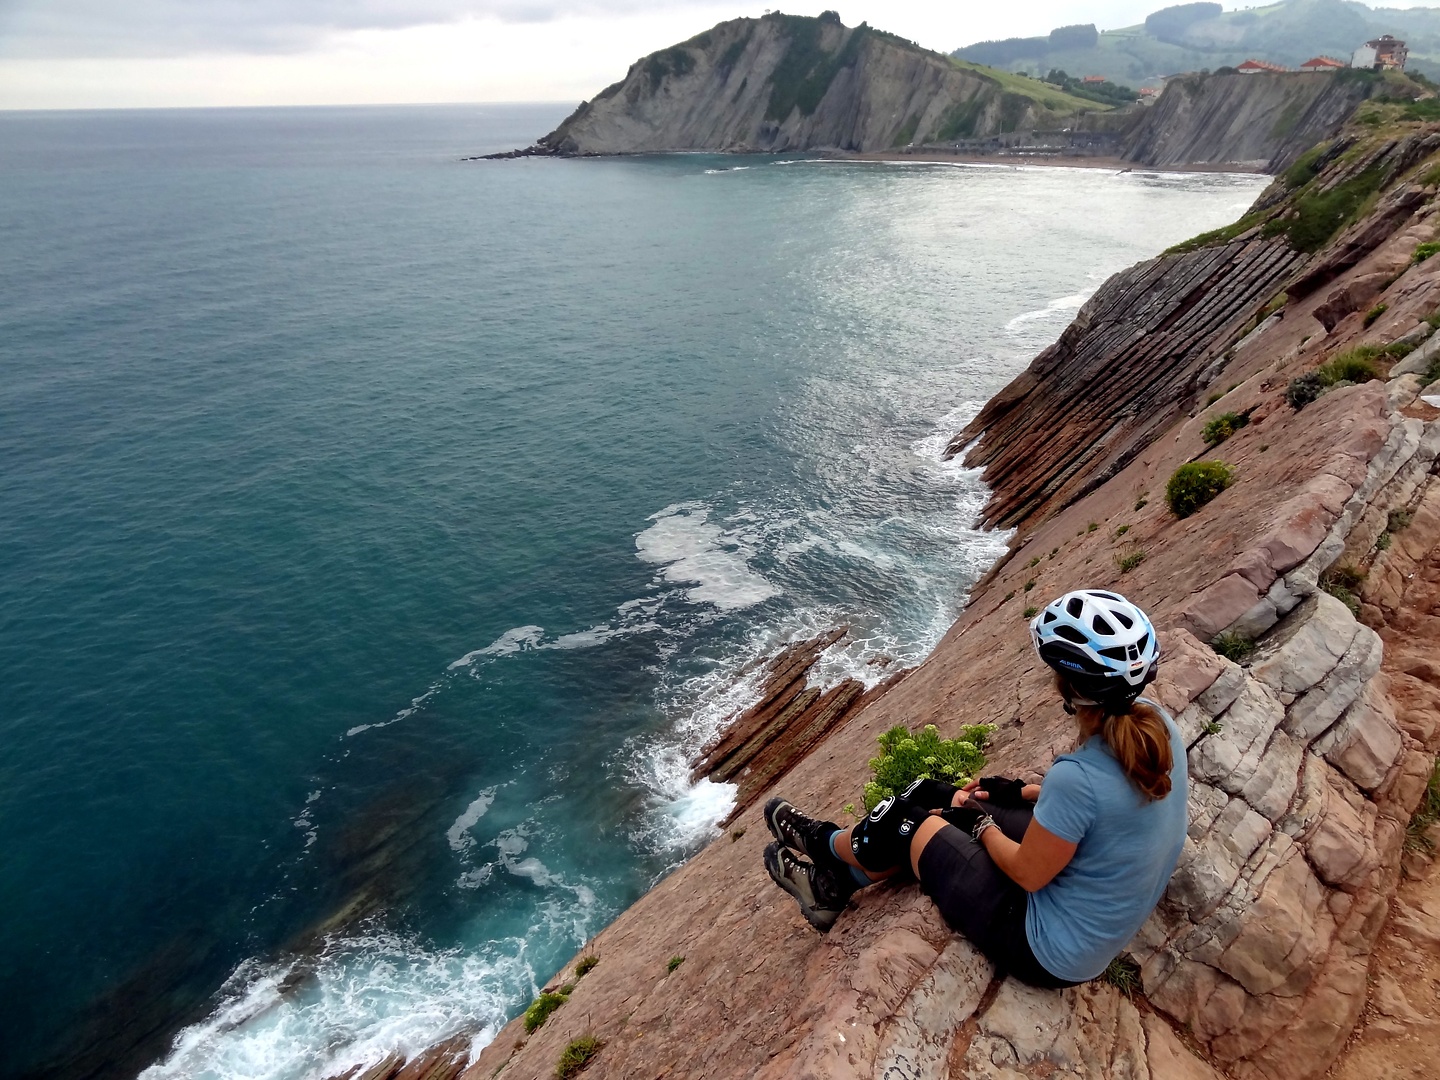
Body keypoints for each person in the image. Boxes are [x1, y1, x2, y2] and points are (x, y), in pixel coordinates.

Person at [762, 589, 1188, 989]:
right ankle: (831, 888)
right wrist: (1021, 792)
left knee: (908, 821)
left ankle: (823, 843)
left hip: (1046, 948)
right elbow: (1104, 806)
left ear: (1070, 687)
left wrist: (981, 826)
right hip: (1089, 915)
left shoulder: (1076, 778)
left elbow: (1029, 873)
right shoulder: (1155, 725)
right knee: (931, 793)